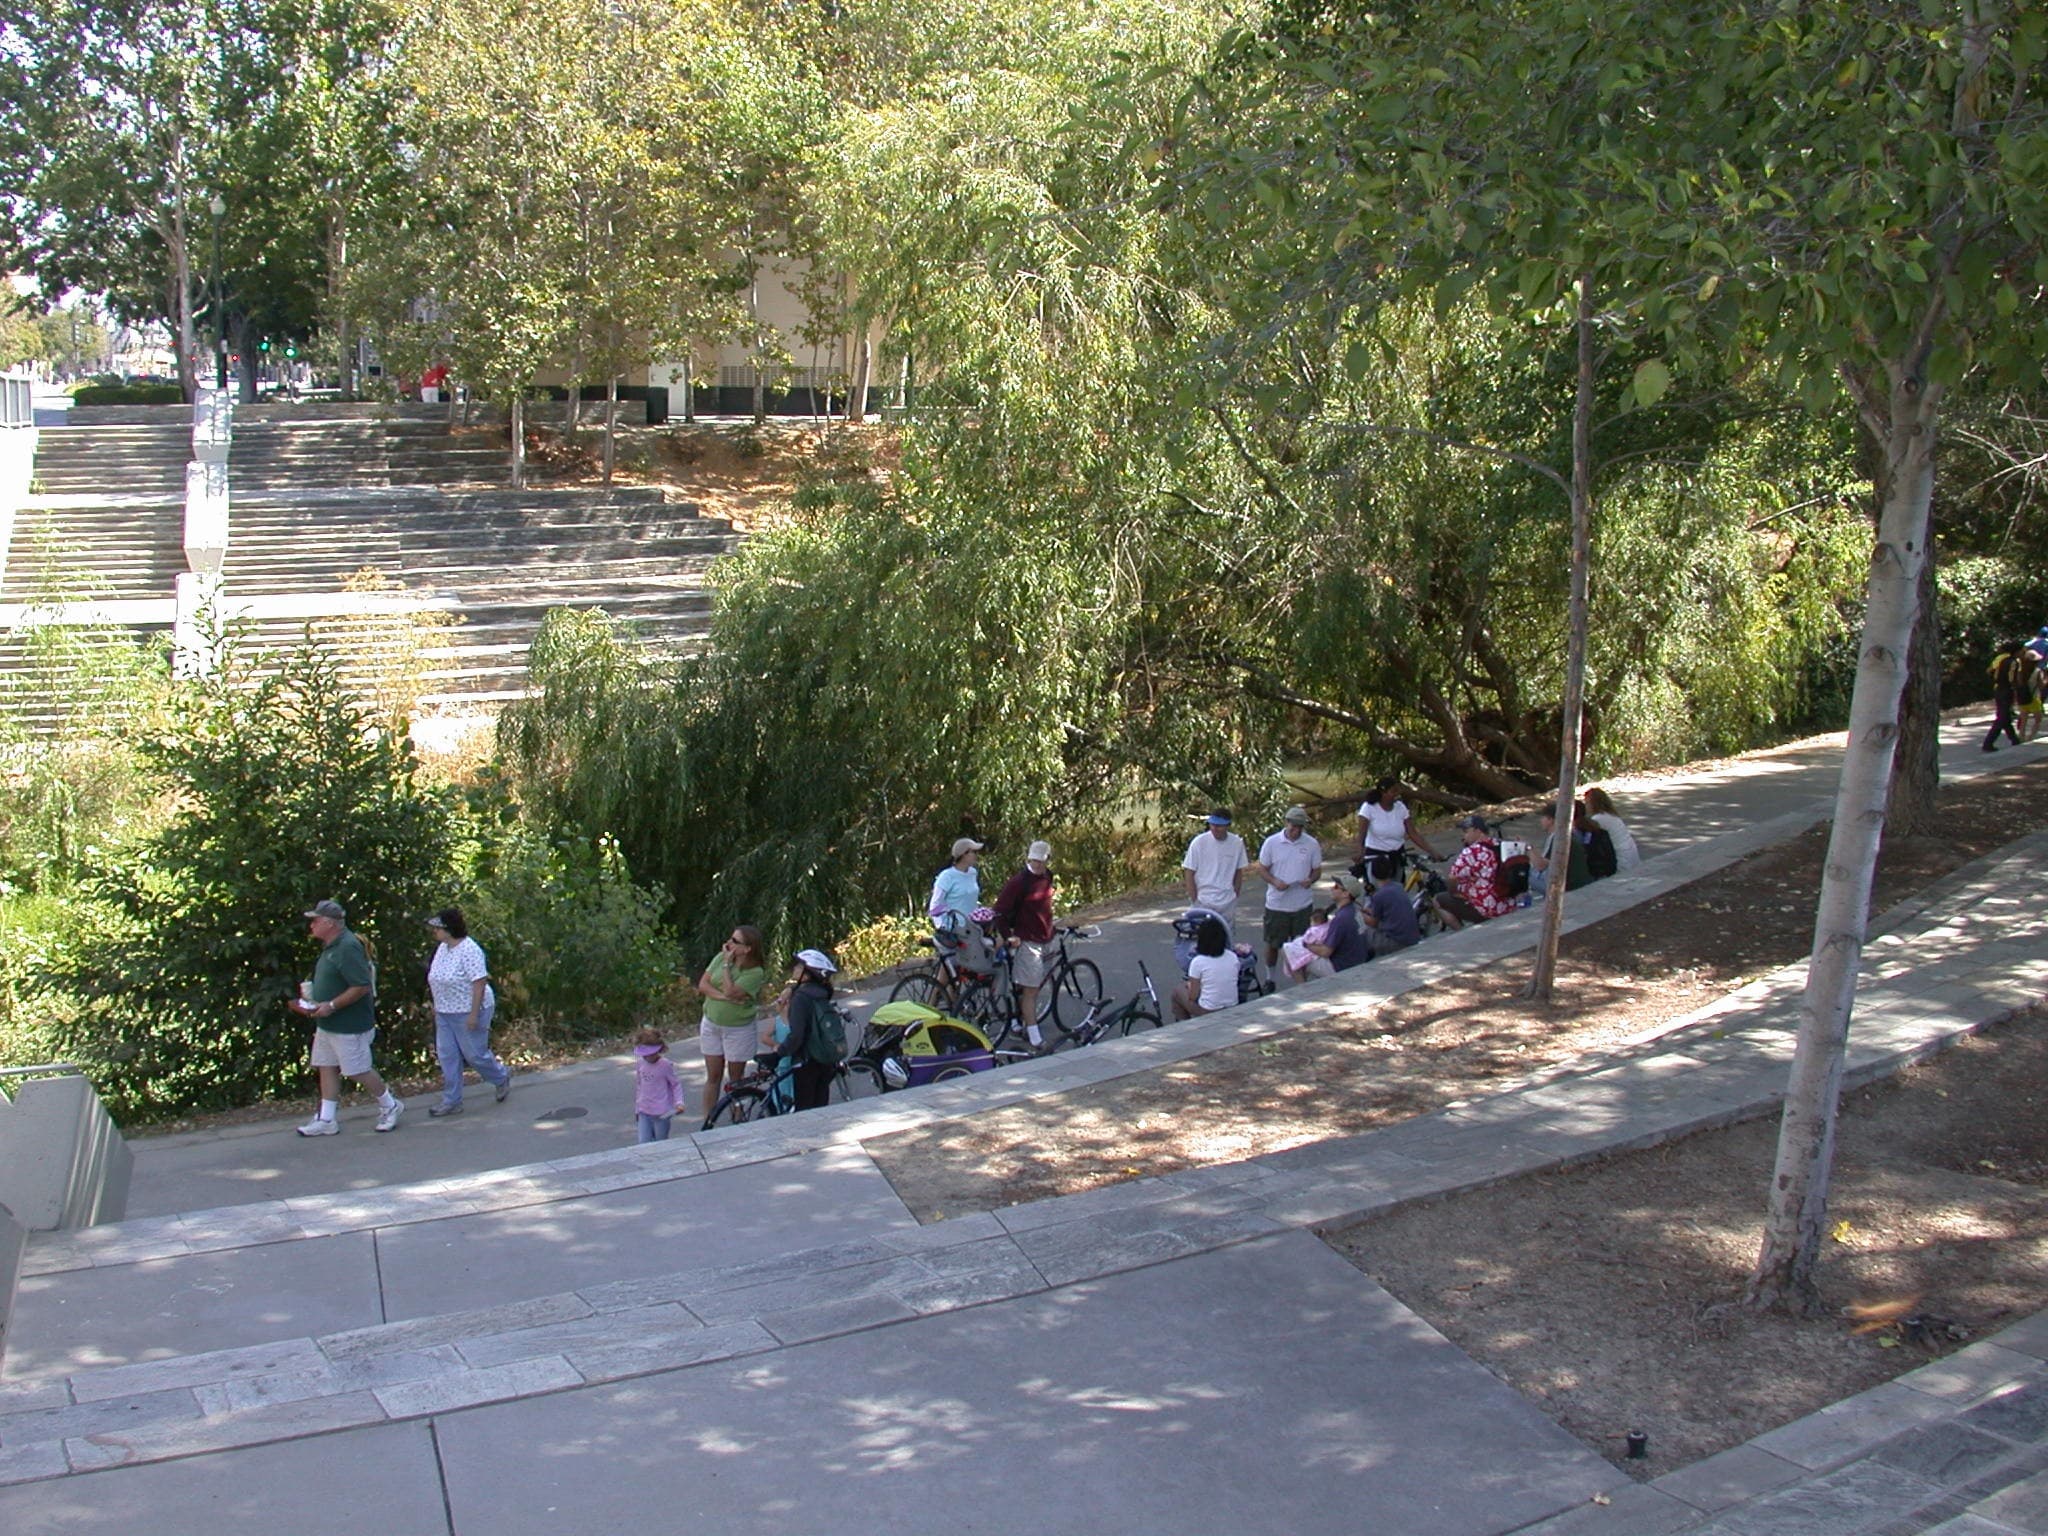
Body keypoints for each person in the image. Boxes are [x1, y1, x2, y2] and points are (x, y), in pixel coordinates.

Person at [294, 899, 404, 1136]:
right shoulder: (332, 946)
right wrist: (315, 1001)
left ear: (329, 923)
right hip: (328, 1024)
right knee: (326, 1066)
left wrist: (331, 1005)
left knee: (358, 1070)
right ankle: (327, 1119)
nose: (311, 925)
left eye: (315, 920)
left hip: (349, 1025)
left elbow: (361, 986)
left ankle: (390, 1105)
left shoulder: (347, 947)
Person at [425, 906, 512, 1118]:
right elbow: (437, 979)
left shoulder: (470, 950)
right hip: (446, 1011)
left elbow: (479, 983)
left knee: (475, 1055)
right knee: (447, 1055)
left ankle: (500, 1077)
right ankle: (452, 1100)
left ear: (449, 929)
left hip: (468, 1010)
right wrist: (437, 1007)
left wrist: (473, 1015)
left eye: (437, 928)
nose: (434, 932)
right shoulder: (443, 949)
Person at [695, 924, 770, 1122]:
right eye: (730, 938)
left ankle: (738, 1118)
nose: (729, 944)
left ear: (747, 948)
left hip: (737, 1029)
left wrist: (728, 966)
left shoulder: (755, 972)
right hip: (712, 1023)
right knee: (713, 1076)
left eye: (735, 941)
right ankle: (708, 1120)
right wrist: (723, 998)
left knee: (736, 1079)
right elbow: (703, 985)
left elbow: (731, 990)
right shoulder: (720, 957)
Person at [992, 840, 1056, 1048]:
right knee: (1031, 990)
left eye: (1041, 861)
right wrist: (1007, 935)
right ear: (1029, 859)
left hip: (1045, 936)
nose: (1037, 865)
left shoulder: (1048, 876)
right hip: (1027, 940)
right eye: (1034, 860)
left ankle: (1017, 1020)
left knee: (1031, 984)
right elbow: (999, 910)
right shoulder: (1019, 882)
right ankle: (1034, 1035)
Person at [1256, 806, 1323, 980]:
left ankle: (1302, 979)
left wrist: (1310, 880)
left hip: (1302, 903)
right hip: (1277, 904)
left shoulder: (1311, 844)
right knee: (1273, 944)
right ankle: (1270, 977)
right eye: (1293, 827)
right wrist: (1274, 881)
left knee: (1302, 943)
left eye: (1300, 828)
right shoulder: (1272, 843)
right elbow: (1262, 869)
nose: (1296, 831)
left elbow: (1317, 870)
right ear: (1286, 823)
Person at [776, 948, 841, 1111]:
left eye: (799, 966)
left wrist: (778, 1053)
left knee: (804, 1112)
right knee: (820, 1107)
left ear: (807, 974)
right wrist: (792, 989)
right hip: (823, 1058)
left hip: (805, 1061)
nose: (795, 968)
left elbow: (797, 1036)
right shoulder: (823, 994)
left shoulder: (801, 999)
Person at [1436, 816, 1515, 930]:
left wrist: (1454, 892)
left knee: (1439, 899)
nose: (1464, 836)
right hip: (1508, 905)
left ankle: (1462, 932)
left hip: (1486, 909)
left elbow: (1452, 878)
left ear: (1477, 831)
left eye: (1466, 832)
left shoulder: (1471, 852)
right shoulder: (1502, 845)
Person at [1181, 810, 1249, 935]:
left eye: (1219, 826)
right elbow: (1189, 872)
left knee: (1224, 938)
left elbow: (1238, 872)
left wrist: (1235, 894)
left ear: (1228, 825)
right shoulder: (1199, 842)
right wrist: (1195, 899)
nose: (1215, 828)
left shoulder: (1236, 843)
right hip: (1203, 900)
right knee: (1202, 938)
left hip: (1227, 901)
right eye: (1213, 825)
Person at [1356, 779, 1440, 867]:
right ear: (1383, 793)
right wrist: (1359, 851)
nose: (1397, 794)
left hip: (1397, 855)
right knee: (1381, 879)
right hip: (1376, 858)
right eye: (1393, 791)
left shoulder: (1401, 807)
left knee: (1399, 880)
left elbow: (1413, 834)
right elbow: (1362, 834)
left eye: (1398, 791)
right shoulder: (1368, 808)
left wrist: (1432, 851)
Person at [1303, 874, 1372, 977]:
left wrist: (1305, 944)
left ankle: (1303, 991)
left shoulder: (1341, 918)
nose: (1332, 888)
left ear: (1346, 894)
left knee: (1294, 956)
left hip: (1342, 967)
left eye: (1336, 887)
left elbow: (1326, 952)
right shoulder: (1356, 910)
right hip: (1358, 961)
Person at [1172, 915, 1238, 1020]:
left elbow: (1192, 996)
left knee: (1177, 992)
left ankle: (1184, 1025)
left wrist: (1190, 987)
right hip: (1232, 1005)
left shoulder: (1198, 962)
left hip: (1209, 1010)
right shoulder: (1232, 956)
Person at [1359, 854, 1421, 956]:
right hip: (1411, 937)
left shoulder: (1379, 895)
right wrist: (1369, 911)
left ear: (1373, 874)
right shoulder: (1399, 887)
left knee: (1364, 932)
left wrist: (1361, 915)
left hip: (1397, 942)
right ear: (1391, 871)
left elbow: (1373, 922)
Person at [632, 1027, 685, 1142]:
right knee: (644, 1142)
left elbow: (675, 1085)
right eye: (643, 1054)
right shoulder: (640, 1064)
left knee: (661, 1142)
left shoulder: (665, 1065)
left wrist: (679, 1102)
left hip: (662, 1113)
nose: (646, 1057)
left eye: (649, 1054)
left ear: (658, 1050)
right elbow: (639, 1086)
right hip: (644, 1111)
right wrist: (637, 1109)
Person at [1529, 805, 1592, 897]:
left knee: (1522, 875)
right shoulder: (1570, 833)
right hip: (1576, 881)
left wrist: (1529, 848)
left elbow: (1540, 865)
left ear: (1550, 820)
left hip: (1567, 886)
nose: (1540, 821)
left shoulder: (1557, 838)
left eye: (1543, 818)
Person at [1983, 639, 2031, 751]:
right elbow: (2013, 679)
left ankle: (2014, 740)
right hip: (2007, 690)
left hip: (1999, 689)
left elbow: (1992, 672)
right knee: (2002, 718)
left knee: (2005, 717)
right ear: (2017, 651)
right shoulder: (2015, 662)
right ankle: (1988, 743)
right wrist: (2017, 691)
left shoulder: (2003, 660)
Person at [928, 838, 984, 931]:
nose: (976, 855)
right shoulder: (947, 876)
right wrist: (943, 927)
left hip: (972, 928)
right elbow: (935, 907)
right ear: (963, 855)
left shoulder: (973, 873)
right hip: (953, 930)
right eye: (973, 852)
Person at [1582, 787, 1641, 871]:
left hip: (1621, 860)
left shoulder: (1599, 819)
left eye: (1587, 803)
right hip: (1632, 856)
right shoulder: (1612, 815)